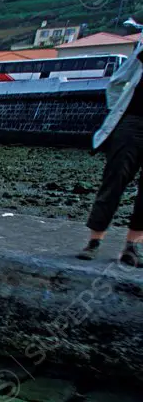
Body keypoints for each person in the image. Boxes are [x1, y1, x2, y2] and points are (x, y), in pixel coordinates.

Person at [79, 43, 143, 267]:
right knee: (114, 180)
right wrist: (120, 113)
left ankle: (132, 246)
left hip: (131, 123)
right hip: (133, 122)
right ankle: (94, 241)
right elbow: (117, 82)